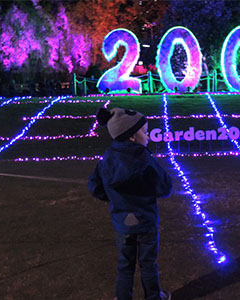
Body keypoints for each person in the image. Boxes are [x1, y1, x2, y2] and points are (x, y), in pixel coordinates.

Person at [90, 107, 173, 300]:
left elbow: (95, 186)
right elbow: (165, 187)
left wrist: (112, 197)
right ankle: (153, 297)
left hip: (122, 223)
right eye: (145, 132)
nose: (148, 137)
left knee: (125, 265)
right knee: (148, 263)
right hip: (146, 222)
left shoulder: (107, 159)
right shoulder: (145, 160)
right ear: (132, 137)